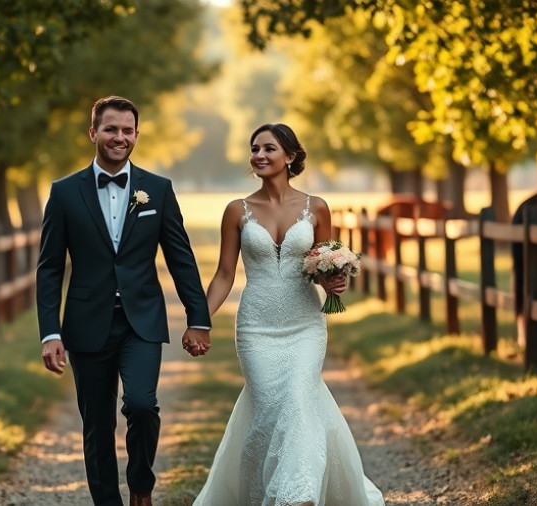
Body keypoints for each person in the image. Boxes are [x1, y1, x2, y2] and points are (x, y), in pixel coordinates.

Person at [192, 123, 385, 505]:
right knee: (266, 412)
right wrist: (200, 320)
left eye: (269, 149)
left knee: (298, 400)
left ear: (290, 157)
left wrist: (335, 282)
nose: (259, 156)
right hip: (256, 328)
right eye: (255, 149)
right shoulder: (236, 211)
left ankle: (298, 496)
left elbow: (326, 265)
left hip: (305, 326)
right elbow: (224, 275)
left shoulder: (317, 208)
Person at [36, 95, 212, 506]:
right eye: (111, 129)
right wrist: (50, 332)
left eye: (127, 130)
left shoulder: (158, 189)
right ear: (93, 132)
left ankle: (140, 486)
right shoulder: (63, 193)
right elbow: (49, 268)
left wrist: (198, 318)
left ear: (137, 134)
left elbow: (181, 260)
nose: (120, 137)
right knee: (97, 425)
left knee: (142, 405)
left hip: (142, 322)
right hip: (85, 323)